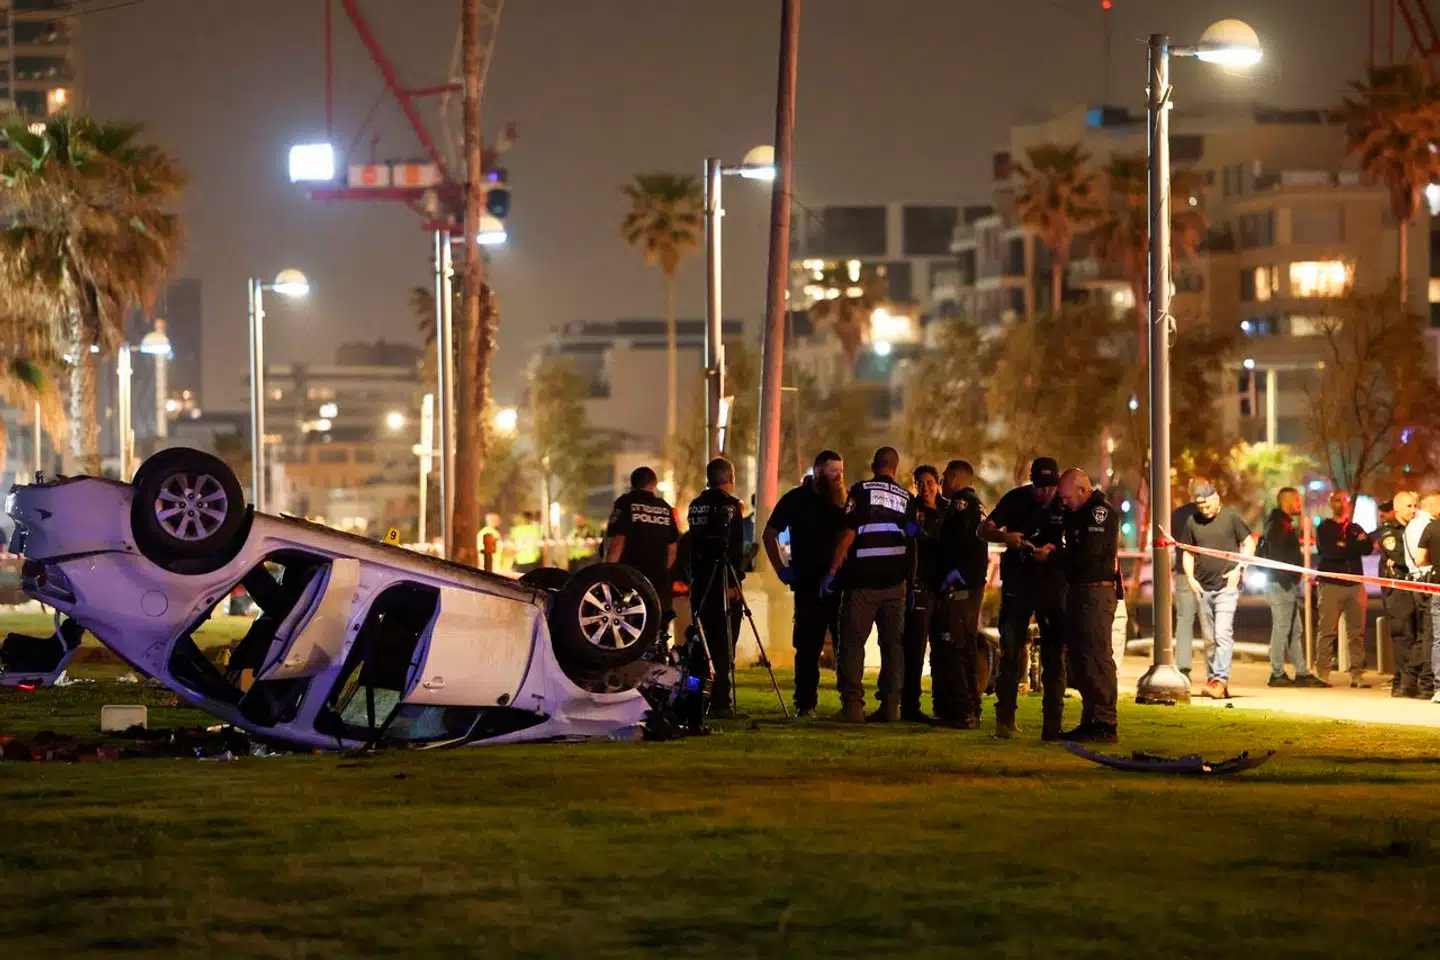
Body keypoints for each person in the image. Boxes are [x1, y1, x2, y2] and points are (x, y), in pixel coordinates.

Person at [823, 446, 913, 724]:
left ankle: (852, 706)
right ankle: (890, 706)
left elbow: (849, 532)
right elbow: (912, 541)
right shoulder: (907, 498)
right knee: (892, 645)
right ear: (895, 468)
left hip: (862, 582)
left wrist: (832, 571)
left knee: (851, 642)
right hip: (895, 584)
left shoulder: (860, 490)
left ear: (874, 465)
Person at [980, 457, 1067, 740]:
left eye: (1050, 486)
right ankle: (1005, 719)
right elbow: (983, 529)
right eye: (1040, 486)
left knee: (1054, 654)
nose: (1045, 493)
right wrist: (1006, 538)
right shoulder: (1015, 499)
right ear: (1031, 481)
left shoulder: (1063, 501)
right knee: (1012, 650)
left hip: (1052, 583)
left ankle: (1052, 725)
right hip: (1018, 582)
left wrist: (1055, 553)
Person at [1034, 469, 1119, 743]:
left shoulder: (1100, 514)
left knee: (1096, 656)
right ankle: (1091, 719)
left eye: (1067, 497)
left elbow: (1088, 556)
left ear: (1083, 490)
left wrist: (1053, 557)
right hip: (1079, 592)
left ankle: (1105, 722)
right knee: (1081, 660)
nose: (1064, 502)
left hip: (1096, 592)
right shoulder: (1076, 514)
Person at [763, 450, 847, 718]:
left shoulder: (844, 501)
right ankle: (805, 702)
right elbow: (769, 533)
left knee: (846, 645)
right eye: (834, 472)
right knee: (808, 647)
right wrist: (781, 570)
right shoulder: (796, 500)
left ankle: (850, 702)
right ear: (819, 471)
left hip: (838, 584)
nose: (839, 477)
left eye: (841, 472)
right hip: (808, 583)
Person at [1178, 483, 1255, 699]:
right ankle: (1215, 680)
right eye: (1200, 507)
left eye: (1207, 505)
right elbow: (1188, 553)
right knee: (1209, 639)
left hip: (1226, 588)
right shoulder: (1192, 522)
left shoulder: (1231, 518)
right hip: (1203, 588)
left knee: (1222, 634)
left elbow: (1249, 543)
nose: (1204, 510)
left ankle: (1220, 679)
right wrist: (1191, 579)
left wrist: (1239, 569)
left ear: (1217, 498)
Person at [687, 458, 747, 718]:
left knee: (701, 641)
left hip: (700, 581)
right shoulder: (731, 506)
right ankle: (721, 699)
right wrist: (735, 584)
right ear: (730, 478)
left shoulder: (695, 505)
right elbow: (734, 549)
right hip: (722, 581)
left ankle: (697, 695)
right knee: (724, 643)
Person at [931, 459, 990, 728]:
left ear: (954, 478)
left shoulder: (961, 504)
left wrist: (953, 575)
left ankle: (964, 711)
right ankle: (967, 709)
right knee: (962, 645)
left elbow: (960, 544)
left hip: (960, 589)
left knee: (956, 646)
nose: (942, 483)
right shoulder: (978, 505)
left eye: (943, 478)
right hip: (969, 586)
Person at [1258, 488, 1324, 687]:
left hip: (1285, 584)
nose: (1299, 504)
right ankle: (1276, 672)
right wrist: (1289, 580)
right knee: (1282, 628)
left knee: (1295, 630)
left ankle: (1301, 671)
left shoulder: (1281, 524)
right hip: (1281, 585)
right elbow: (1277, 558)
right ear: (1286, 502)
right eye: (1296, 500)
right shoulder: (1278, 526)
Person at [605, 466, 680, 629]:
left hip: (630, 583)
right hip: (659, 586)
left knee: (631, 632)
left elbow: (617, 541)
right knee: (658, 632)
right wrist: (662, 573)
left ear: (632, 484)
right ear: (654, 485)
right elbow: (673, 550)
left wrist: (607, 573)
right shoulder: (666, 509)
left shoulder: (625, 503)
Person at [1376, 494, 1433, 698]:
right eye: (1408, 506)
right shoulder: (1389, 532)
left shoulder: (1415, 528)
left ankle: (1408, 682)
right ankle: (1401, 683)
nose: (1413, 509)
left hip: (1415, 587)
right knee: (1403, 638)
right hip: (1398, 592)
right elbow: (1400, 556)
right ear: (1397, 509)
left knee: (1420, 636)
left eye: (1415, 505)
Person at [900, 464, 945, 723]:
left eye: (929, 483)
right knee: (914, 649)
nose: (925, 488)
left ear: (938, 484)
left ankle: (942, 704)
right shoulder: (911, 511)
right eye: (920, 484)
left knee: (941, 649)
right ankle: (909, 706)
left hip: (941, 589)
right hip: (919, 587)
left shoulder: (945, 513)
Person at [1315, 491, 1373, 687]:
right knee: (1327, 631)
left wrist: (1348, 545)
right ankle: (1322, 673)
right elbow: (1330, 552)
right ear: (1331, 503)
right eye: (1337, 500)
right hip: (1331, 584)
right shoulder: (1324, 527)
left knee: (1357, 632)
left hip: (1355, 585)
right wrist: (1353, 545)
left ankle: (1357, 674)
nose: (1341, 503)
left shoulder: (1355, 527)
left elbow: (1368, 548)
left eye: (1344, 500)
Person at [1172, 481, 1208, 679]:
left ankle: (1183, 667)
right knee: (1209, 622)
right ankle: (1214, 672)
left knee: (1184, 620)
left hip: (1183, 573)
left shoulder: (1177, 514)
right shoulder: (1211, 514)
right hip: (1207, 575)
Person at [1408, 497, 1440, 704]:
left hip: (1438, 587)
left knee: (1439, 638)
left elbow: (1419, 559)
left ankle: (1439, 687)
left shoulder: (1431, 528)